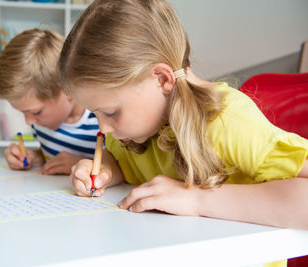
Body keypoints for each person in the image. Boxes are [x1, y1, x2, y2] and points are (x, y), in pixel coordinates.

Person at [59, 0, 308, 233]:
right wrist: (106, 171)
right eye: (96, 113)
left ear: (162, 79)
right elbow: (124, 165)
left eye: (111, 112)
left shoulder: (226, 121)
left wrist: (197, 199)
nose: (103, 127)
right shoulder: (129, 132)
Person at [0, 28, 99, 175]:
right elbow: (53, 151)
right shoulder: (42, 122)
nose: (29, 121)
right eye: (23, 112)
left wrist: (83, 164)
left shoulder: (101, 119)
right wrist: (35, 157)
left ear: (68, 89)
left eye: (36, 112)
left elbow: (125, 167)